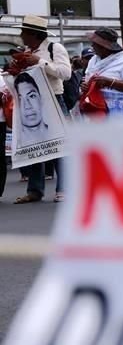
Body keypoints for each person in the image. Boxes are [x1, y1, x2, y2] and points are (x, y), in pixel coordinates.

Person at [10, 15, 71, 205]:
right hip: (35, 101)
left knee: (61, 146)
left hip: (54, 99)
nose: (20, 36)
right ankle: (35, 190)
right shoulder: (30, 51)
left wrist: (39, 62)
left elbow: (65, 73)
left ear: (33, 34)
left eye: (23, 32)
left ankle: (65, 189)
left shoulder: (55, 48)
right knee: (35, 146)